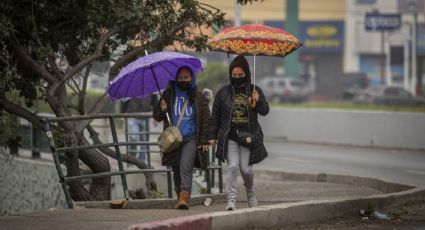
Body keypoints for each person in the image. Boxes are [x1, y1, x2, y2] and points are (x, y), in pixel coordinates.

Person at [208, 55, 269, 211]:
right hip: (231, 137)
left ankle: (250, 192)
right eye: (234, 75)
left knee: (246, 170)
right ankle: (231, 201)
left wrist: (259, 100)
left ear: (246, 74)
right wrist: (212, 137)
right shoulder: (223, 93)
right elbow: (215, 116)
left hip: (249, 137)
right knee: (232, 167)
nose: (236, 78)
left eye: (240, 76)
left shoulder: (254, 90)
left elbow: (265, 111)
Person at [153, 66, 211, 210]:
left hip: (191, 138)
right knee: (176, 169)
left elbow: (206, 119)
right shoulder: (168, 94)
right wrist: (162, 107)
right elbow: (157, 117)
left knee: (186, 165)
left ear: (192, 78)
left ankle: (185, 198)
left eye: (186, 77)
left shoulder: (198, 96)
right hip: (173, 140)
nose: (183, 80)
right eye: (180, 78)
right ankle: (180, 198)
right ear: (175, 79)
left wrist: (204, 139)